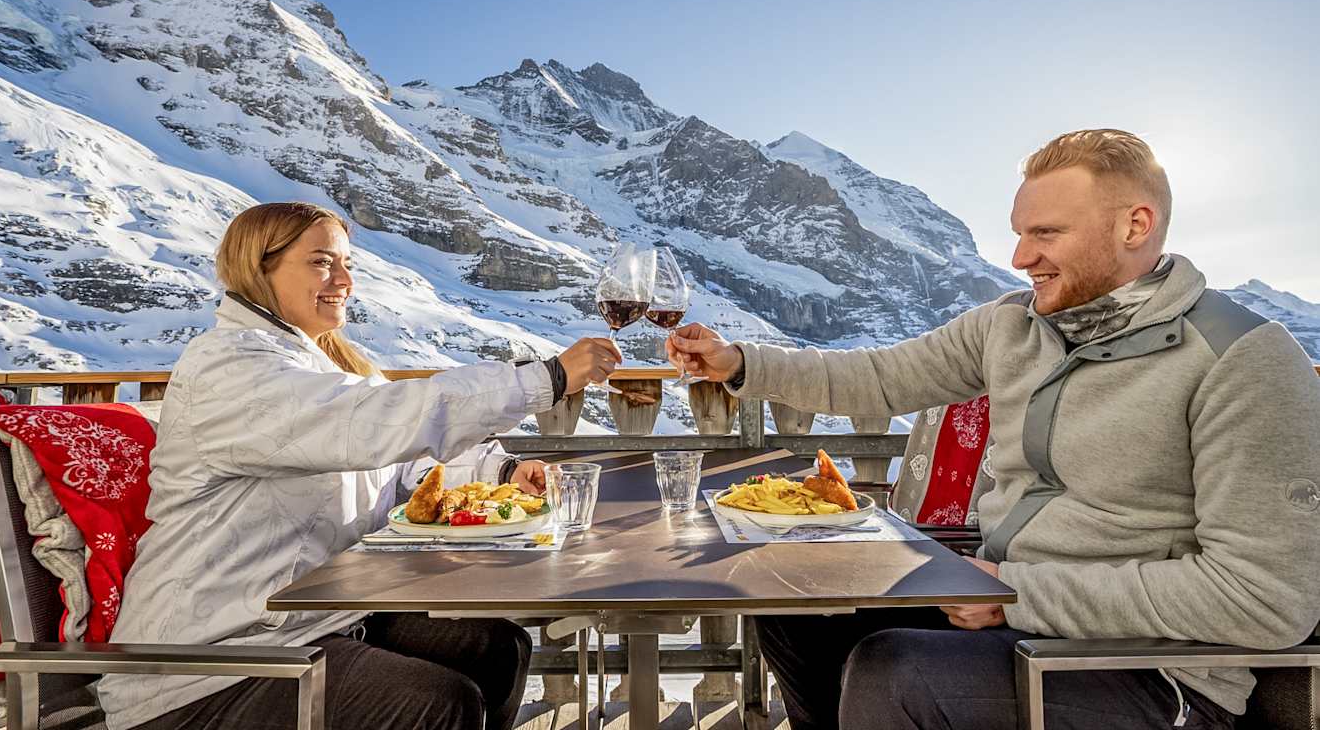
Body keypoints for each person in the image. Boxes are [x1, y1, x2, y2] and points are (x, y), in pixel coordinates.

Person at [666, 130, 1320, 729]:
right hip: (1007, 603)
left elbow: (1264, 600)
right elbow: (880, 377)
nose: (1018, 256)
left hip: (1149, 673)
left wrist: (1017, 598)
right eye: (1018, 232)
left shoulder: (1241, 359)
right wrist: (740, 362)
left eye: (1045, 234)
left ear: (1134, 225)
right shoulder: (1012, 324)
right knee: (794, 601)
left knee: (893, 673)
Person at [98, 202, 623, 730]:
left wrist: (500, 475)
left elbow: (397, 464)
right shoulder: (232, 368)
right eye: (323, 262)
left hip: (305, 620)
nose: (345, 280)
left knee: (495, 647)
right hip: (205, 665)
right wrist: (546, 378)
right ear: (260, 267)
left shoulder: (308, 362)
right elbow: (374, 423)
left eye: (348, 263)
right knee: (434, 701)